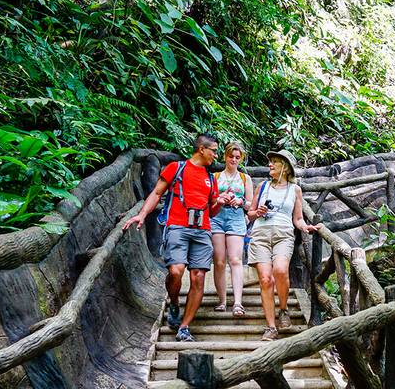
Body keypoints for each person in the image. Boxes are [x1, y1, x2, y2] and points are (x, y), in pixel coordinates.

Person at [123, 133, 231, 342]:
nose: (216, 156)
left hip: (202, 230)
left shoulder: (210, 178)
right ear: (201, 149)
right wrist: (142, 215)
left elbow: (213, 211)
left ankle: (184, 326)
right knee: (176, 270)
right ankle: (174, 303)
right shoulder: (177, 168)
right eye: (214, 151)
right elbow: (156, 193)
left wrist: (220, 202)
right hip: (178, 227)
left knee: (198, 276)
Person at [246, 149, 321, 341]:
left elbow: (297, 218)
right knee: (265, 279)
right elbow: (250, 214)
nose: (270, 165)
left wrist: (306, 227)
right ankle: (271, 327)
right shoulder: (262, 186)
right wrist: (258, 212)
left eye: (275, 162)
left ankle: (284, 308)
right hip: (260, 234)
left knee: (280, 270)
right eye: (270, 162)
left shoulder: (295, 190)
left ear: (285, 167)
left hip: (283, 234)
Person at [210, 142, 253, 317]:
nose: (234, 160)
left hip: (236, 218)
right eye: (231, 156)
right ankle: (222, 300)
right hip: (217, 217)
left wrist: (241, 201)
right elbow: (209, 201)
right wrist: (221, 198)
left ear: (240, 158)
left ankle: (237, 302)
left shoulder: (245, 178)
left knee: (235, 259)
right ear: (225, 156)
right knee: (219, 261)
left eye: (237, 157)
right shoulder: (215, 176)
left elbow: (251, 204)